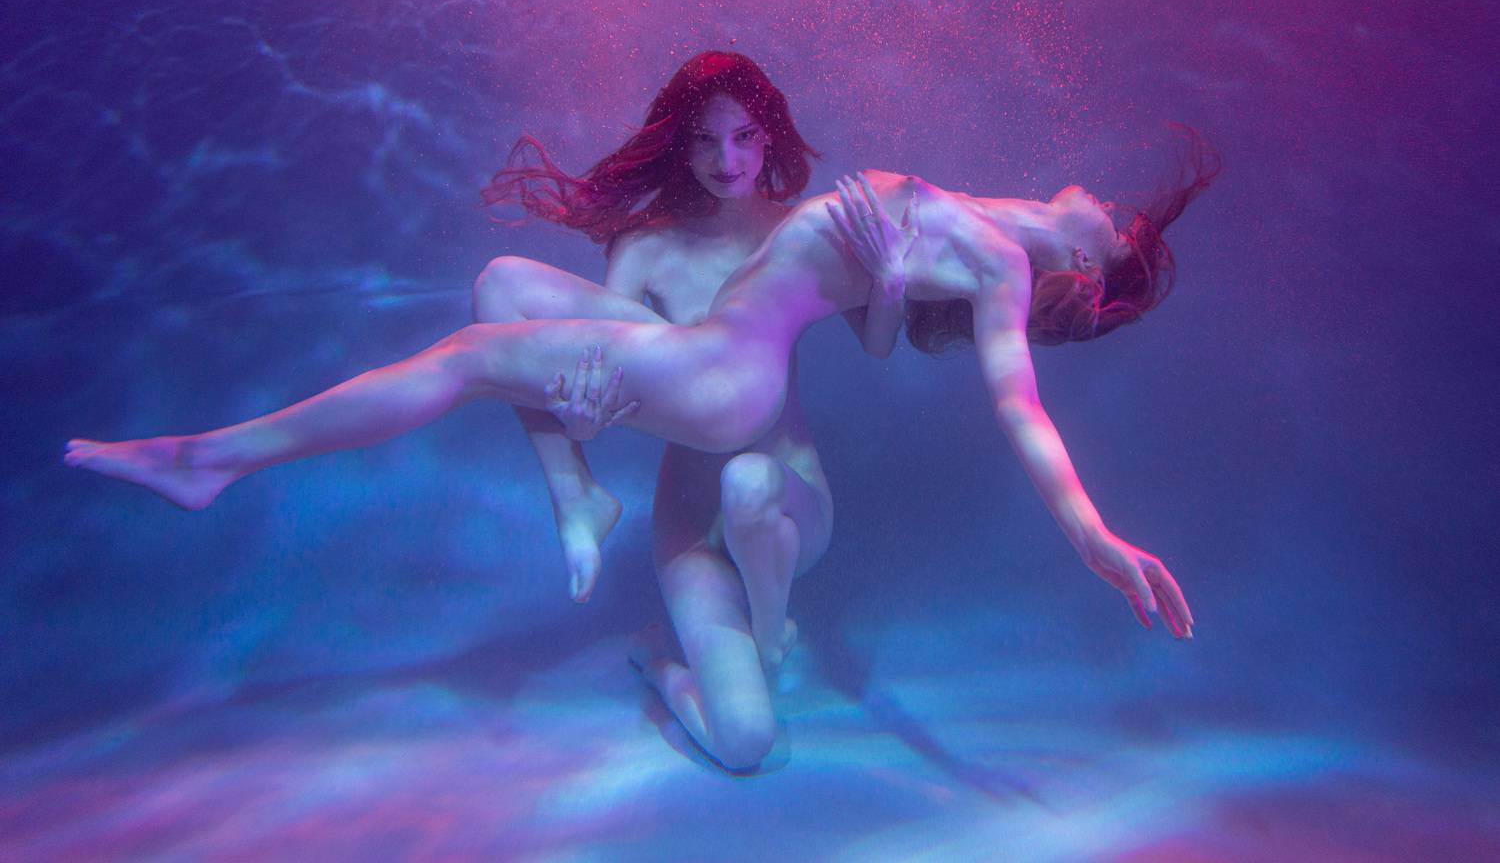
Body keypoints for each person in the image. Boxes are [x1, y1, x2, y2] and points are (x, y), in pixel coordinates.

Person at [66, 131, 1214, 769]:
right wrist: (900, 280)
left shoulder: (1006, 268)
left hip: (724, 373)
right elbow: (888, 312)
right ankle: (574, 495)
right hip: (717, 350)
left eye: (1119, 227)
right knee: (498, 300)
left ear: (1086, 266)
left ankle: (212, 461)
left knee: (468, 357)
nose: (1108, 198)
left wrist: (1094, 536)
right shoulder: (995, 220)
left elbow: (1022, 409)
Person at [471, 51, 909, 771]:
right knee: (745, 742)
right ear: (680, 143)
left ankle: (762, 628)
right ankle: (654, 654)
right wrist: (582, 421)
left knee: (749, 482)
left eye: (743, 136)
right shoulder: (644, 248)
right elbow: (607, 380)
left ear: (769, 135)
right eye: (704, 140)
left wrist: (889, 282)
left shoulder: (798, 230)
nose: (725, 160)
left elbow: (878, 343)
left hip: (787, 496)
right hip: (689, 524)